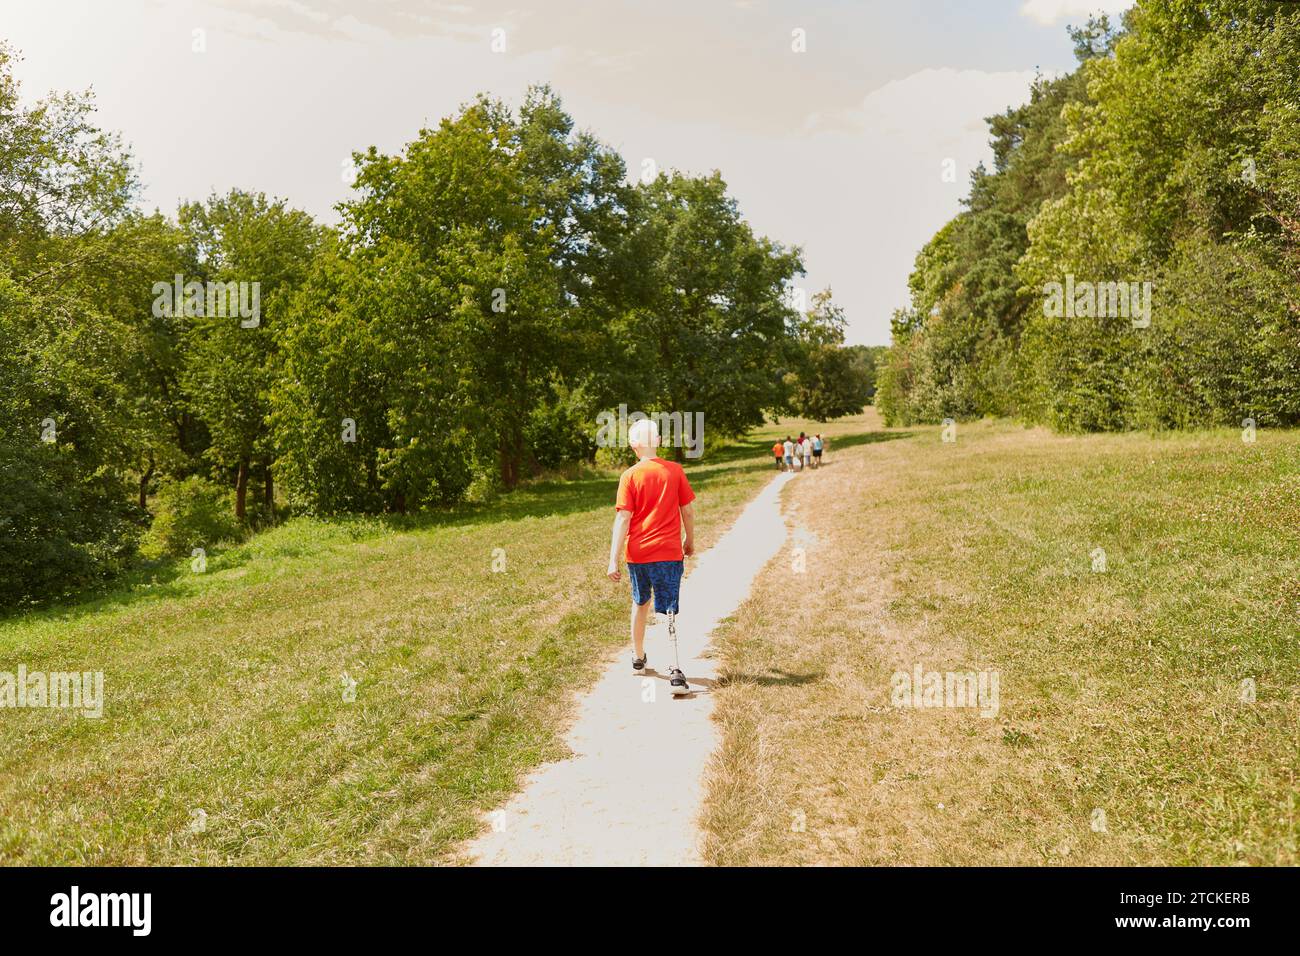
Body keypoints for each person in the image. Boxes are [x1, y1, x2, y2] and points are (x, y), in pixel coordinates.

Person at [607, 418, 696, 695]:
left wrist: (613, 559)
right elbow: (687, 510)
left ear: (633, 445)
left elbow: (623, 519)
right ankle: (675, 671)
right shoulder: (674, 470)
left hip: (638, 554)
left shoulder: (629, 476)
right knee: (668, 607)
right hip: (668, 552)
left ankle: (638, 657)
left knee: (640, 602)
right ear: (658, 441)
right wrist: (689, 540)